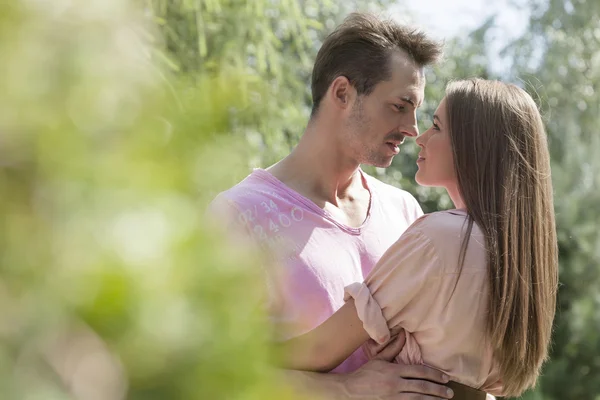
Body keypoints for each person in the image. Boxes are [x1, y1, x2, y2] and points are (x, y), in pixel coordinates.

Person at [208, 12, 455, 400]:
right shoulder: (238, 216)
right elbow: (214, 377)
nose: (413, 128)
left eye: (418, 109)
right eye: (400, 105)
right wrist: (345, 389)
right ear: (342, 93)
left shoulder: (405, 211)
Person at [277, 79, 559, 399]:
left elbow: (320, 350)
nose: (420, 138)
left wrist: (236, 361)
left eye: (436, 127)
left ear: (473, 147)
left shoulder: (439, 239)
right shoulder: (517, 253)